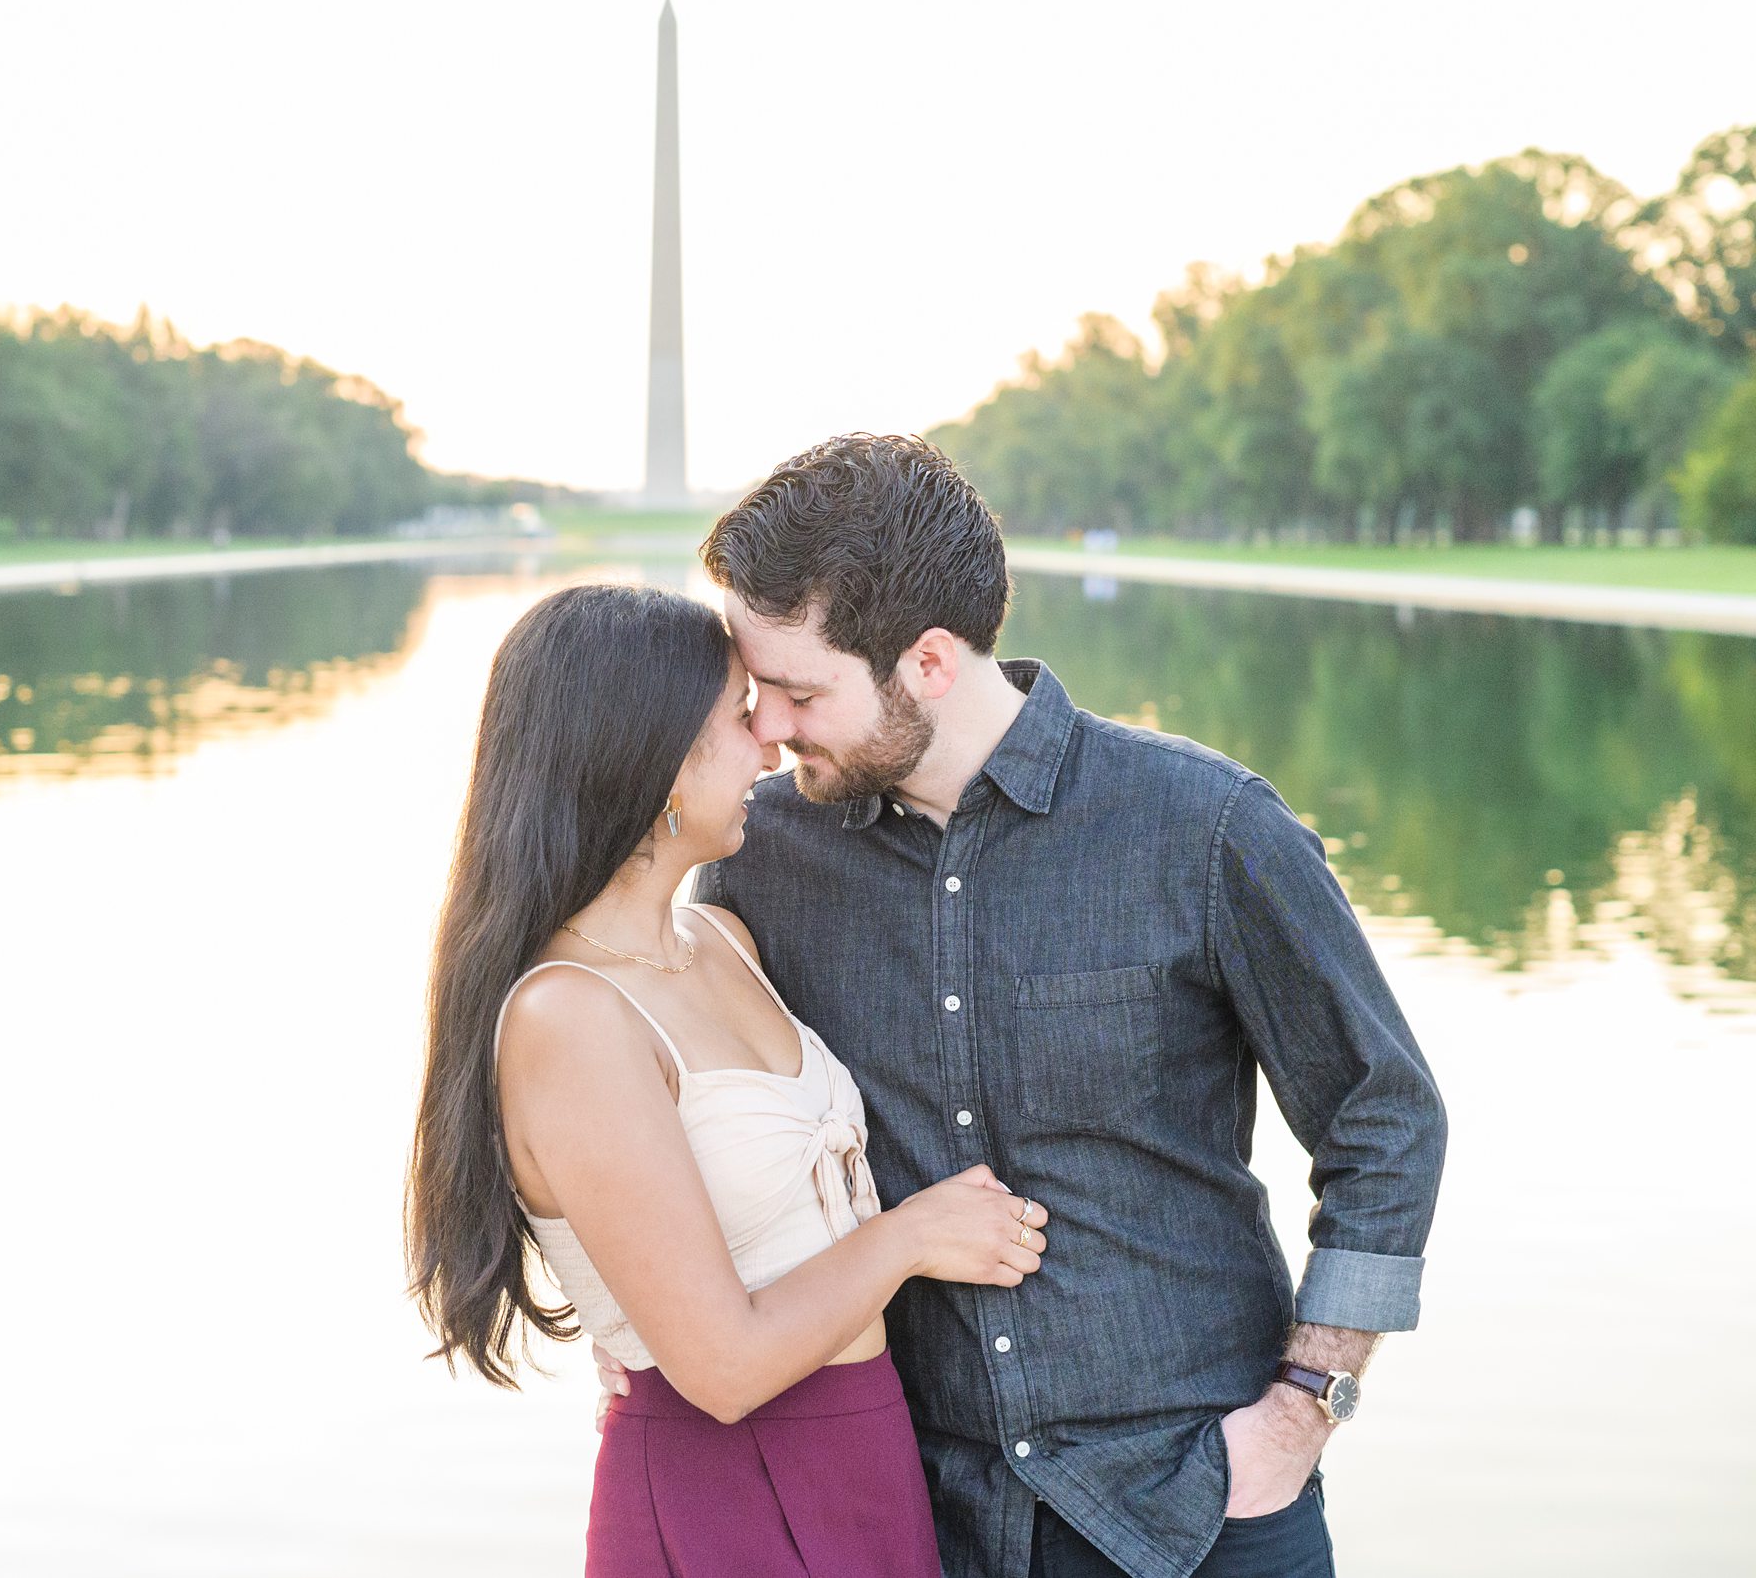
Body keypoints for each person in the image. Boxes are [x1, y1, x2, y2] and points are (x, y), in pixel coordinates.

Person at [592, 432, 1448, 1578]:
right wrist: (631, 1307)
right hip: (917, 1516)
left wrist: (1306, 1403)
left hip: (1202, 1508)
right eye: (760, 694)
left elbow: (1385, 1116)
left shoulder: (1204, 826)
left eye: (801, 692)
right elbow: (652, 1068)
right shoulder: (763, 858)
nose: (772, 731)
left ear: (931, 662)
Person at [407, 582, 1055, 1577]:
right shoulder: (567, 1017)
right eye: (736, 719)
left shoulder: (720, 935)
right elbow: (720, 1366)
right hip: (729, 1481)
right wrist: (913, 1237)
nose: (769, 744)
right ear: (654, 758)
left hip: (865, 1454)